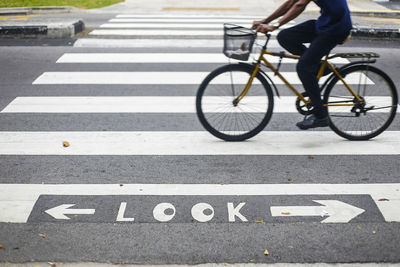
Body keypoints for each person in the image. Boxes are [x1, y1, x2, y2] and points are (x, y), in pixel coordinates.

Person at [252, 0, 352, 129]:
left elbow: (300, 5)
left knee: (303, 67)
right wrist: (265, 21)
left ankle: (320, 116)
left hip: (335, 29)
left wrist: (274, 26)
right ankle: (318, 66)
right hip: (324, 24)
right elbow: (291, 2)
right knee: (285, 36)